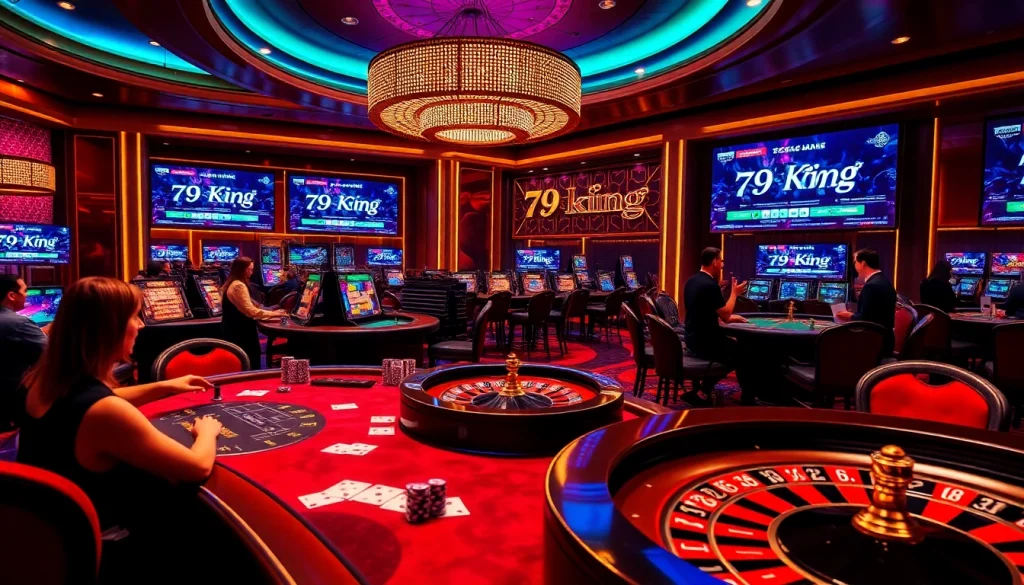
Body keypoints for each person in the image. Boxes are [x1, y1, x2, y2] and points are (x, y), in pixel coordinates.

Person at [16, 277, 222, 580]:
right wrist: (207, 431)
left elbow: (94, 401)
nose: (140, 325)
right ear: (107, 328)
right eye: (133, 316)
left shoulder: (40, 382)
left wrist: (165, 386)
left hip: (53, 535)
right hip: (107, 550)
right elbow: (195, 467)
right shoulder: (104, 413)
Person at [221, 257, 288, 369]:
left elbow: (252, 306)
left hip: (233, 328)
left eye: (252, 270)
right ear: (241, 270)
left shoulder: (233, 282)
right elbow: (251, 312)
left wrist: (271, 311)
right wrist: (276, 314)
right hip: (239, 331)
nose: (251, 273)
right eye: (249, 270)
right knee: (248, 363)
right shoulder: (238, 285)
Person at [683, 247, 747, 363]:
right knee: (746, 350)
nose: (722, 265)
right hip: (707, 343)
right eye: (721, 261)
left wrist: (731, 318)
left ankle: (710, 380)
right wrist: (734, 293)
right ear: (714, 262)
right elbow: (726, 315)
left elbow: (701, 311)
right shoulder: (711, 285)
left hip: (691, 339)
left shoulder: (691, 281)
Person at [0, 275, 49, 429]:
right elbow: (51, 356)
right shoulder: (19, 323)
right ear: (11, 295)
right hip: (13, 402)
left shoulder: (14, 324)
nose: (27, 295)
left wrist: (41, 331)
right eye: (25, 290)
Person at [837, 248, 897, 335]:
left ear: (863, 263)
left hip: (874, 338)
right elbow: (873, 313)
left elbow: (866, 319)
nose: (855, 266)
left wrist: (849, 316)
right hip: (882, 335)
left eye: (855, 262)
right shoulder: (881, 280)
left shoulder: (872, 285)